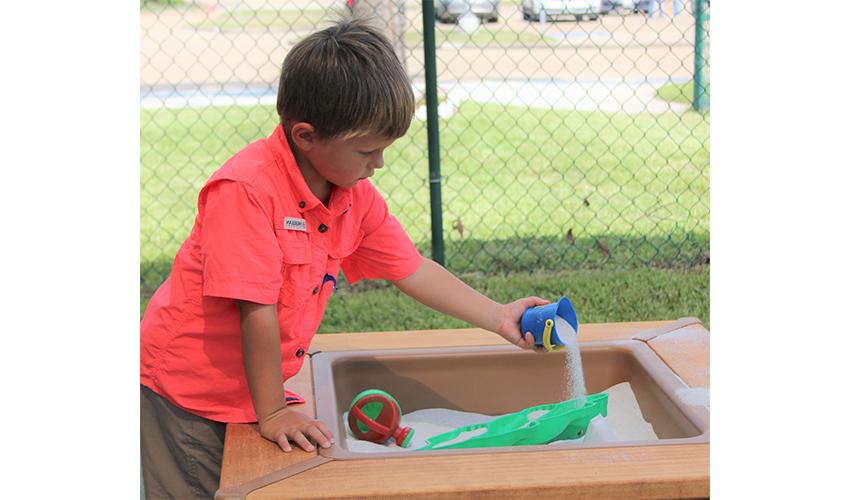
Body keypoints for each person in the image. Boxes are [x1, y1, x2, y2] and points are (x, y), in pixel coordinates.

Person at [140, 16, 548, 499]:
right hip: (190, 393)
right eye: (367, 150)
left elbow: (412, 268)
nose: (378, 164)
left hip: (256, 389)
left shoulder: (351, 193)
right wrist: (272, 413)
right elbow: (256, 309)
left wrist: (499, 316)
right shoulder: (246, 191)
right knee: (198, 487)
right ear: (306, 136)